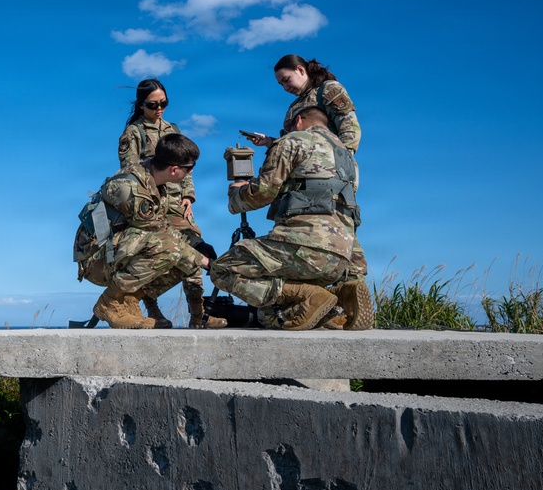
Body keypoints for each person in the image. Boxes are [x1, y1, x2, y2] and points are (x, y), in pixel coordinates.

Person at [210, 107, 373, 330]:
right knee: (272, 315)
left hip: (303, 247)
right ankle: (338, 296)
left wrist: (236, 193)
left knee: (223, 269)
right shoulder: (348, 159)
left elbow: (261, 193)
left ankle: (310, 294)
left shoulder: (293, 141)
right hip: (342, 258)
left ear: (298, 120)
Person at [243, 55, 371, 327]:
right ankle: (344, 301)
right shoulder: (297, 104)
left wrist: (339, 165)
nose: (284, 87)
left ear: (300, 70)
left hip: (332, 174)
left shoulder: (330, 90)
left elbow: (350, 129)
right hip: (316, 174)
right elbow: (305, 141)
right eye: (280, 84)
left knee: (321, 225)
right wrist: (271, 142)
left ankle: (341, 297)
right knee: (337, 231)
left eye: (286, 79)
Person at [118, 79, 225, 329]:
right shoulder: (133, 133)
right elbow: (130, 173)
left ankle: (199, 316)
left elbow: (187, 164)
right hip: (153, 202)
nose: (159, 109)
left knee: (196, 251)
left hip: (178, 203)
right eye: (152, 104)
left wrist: (189, 196)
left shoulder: (172, 128)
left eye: (163, 103)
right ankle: (153, 310)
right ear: (141, 104)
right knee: (159, 253)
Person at [89, 134, 211, 329]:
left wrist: (197, 249)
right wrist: (205, 262)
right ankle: (110, 302)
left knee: (186, 256)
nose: (190, 173)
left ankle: (129, 300)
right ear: (174, 170)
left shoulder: (154, 180)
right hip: (97, 259)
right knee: (172, 248)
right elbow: (158, 232)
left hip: (120, 248)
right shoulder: (131, 187)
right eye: (189, 168)